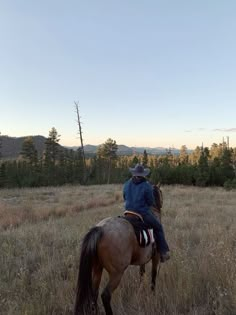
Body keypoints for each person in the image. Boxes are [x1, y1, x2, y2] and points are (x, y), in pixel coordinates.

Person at [123, 163, 170, 262]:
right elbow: (150, 202)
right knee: (158, 227)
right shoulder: (146, 185)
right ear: (143, 174)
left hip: (127, 213)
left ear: (134, 173)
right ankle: (163, 252)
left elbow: (124, 197)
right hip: (142, 213)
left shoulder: (127, 183)